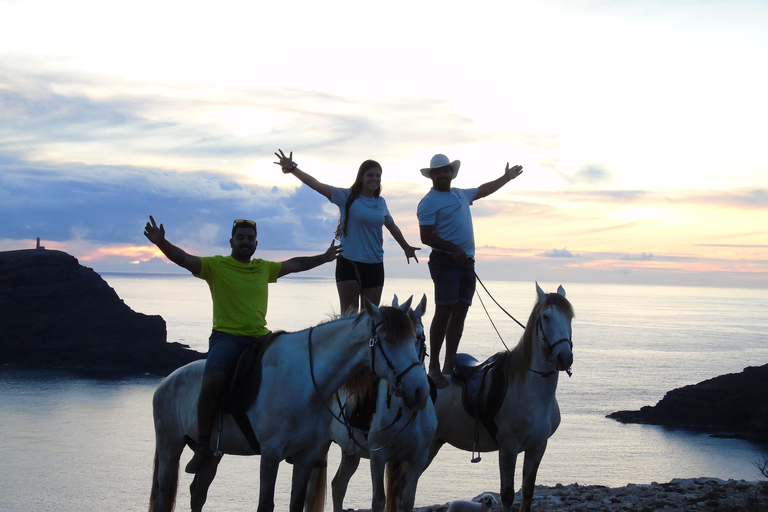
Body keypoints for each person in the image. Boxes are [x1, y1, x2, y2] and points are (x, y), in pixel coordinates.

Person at [143, 215, 341, 473]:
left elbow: (294, 264)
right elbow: (184, 258)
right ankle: (203, 445)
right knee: (212, 382)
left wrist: (324, 258)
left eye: (250, 238)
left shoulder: (263, 268)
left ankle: (297, 439)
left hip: (261, 338)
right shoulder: (216, 266)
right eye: (241, 238)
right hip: (227, 337)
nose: (245, 242)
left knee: (295, 372)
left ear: (256, 244)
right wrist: (161, 243)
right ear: (231, 241)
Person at [417, 154, 523, 388]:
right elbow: (426, 236)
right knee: (443, 312)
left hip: (466, 262)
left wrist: (506, 177)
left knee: (460, 313)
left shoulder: (460, 194)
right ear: (432, 175)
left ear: (451, 173)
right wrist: (452, 248)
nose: (443, 174)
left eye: (446, 170)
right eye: (438, 171)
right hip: (445, 262)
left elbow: (483, 190)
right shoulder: (428, 202)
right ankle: (433, 366)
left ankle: (449, 364)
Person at [274, 149, 420, 313]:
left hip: (375, 263)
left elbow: (392, 226)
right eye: (370, 175)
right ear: (361, 178)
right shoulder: (346, 196)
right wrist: (293, 168)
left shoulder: (381, 202)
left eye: (378, 175)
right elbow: (316, 184)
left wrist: (406, 247)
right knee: (349, 315)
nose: (375, 179)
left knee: (369, 317)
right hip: (349, 262)